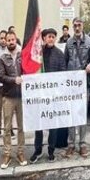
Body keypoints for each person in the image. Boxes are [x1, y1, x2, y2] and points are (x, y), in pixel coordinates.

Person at [30, 28, 67, 164]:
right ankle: (38, 150)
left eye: (53, 36)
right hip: (39, 95)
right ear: (44, 38)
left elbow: (63, 72)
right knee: (38, 124)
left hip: (54, 96)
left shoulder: (59, 54)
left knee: (53, 124)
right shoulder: (38, 54)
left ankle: (51, 150)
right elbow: (32, 69)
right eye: (48, 36)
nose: (51, 39)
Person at [64, 17, 90, 158]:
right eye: (75, 25)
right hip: (72, 84)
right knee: (71, 113)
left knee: (82, 113)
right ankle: (71, 144)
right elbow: (65, 62)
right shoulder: (69, 42)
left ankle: (82, 144)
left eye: (79, 25)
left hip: (84, 83)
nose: (77, 28)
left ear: (83, 26)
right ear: (73, 27)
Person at [0, 31, 26, 169]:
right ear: (6, 41)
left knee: (21, 127)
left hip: (22, 97)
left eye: (12, 39)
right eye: (8, 40)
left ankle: (20, 152)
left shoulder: (23, 55)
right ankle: (7, 154)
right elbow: (1, 77)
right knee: (7, 127)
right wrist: (14, 79)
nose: (10, 42)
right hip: (8, 97)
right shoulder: (3, 57)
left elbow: (28, 71)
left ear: (16, 40)